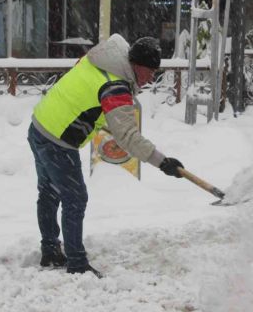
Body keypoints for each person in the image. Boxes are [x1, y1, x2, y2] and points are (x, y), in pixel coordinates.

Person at [27, 34, 185, 278]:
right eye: (150, 72)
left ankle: (50, 250)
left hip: (39, 125)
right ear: (136, 65)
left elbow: (88, 98)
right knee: (75, 198)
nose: (151, 79)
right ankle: (77, 264)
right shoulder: (114, 86)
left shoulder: (101, 61)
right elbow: (127, 137)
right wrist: (162, 162)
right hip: (57, 140)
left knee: (49, 193)